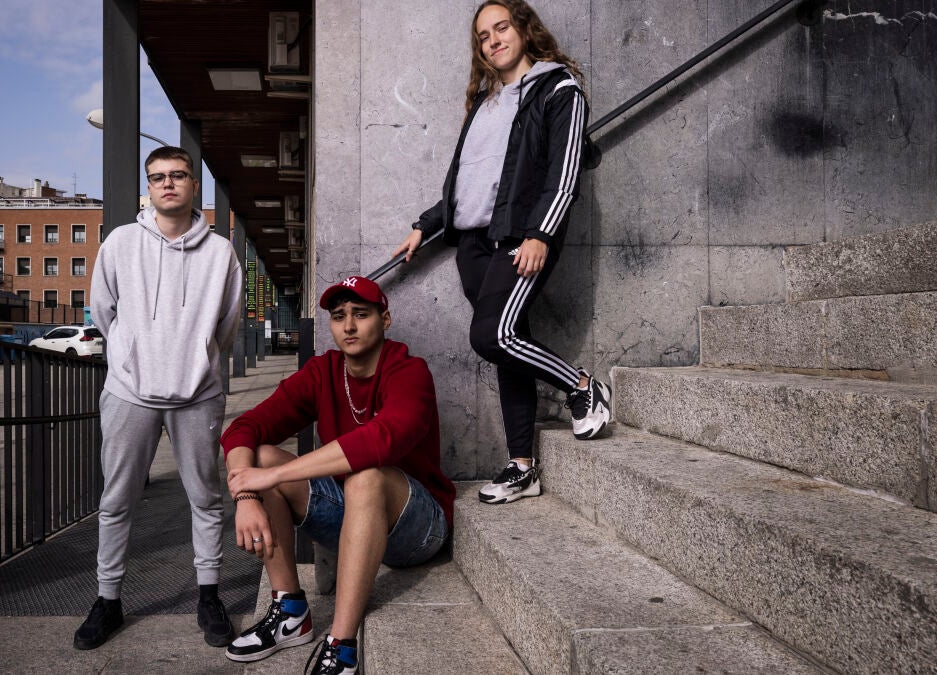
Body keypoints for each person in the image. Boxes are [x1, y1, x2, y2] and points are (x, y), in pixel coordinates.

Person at [392, 0, 611, 506]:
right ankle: (522, 468)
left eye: (501, 27)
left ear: (524, 29)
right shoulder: (485, 103)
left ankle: (581, 385)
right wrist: (425, 225)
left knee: (492, 336)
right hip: (473, 243)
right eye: (483, 36)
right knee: (509, 347)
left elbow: (564, 171)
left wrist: (541, 234)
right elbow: (469, 182)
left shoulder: (558, 89)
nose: (493, 40)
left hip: (520, 238)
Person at [219, 276, 455, 675]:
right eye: (339, 316)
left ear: (385, 319)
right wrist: (245, 492)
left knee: (366, 475)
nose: (348, 326)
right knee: (260, 456)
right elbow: (245, 427)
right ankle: (290, 611)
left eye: (361, 315)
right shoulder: (324, 372)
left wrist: (271, 478)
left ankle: (342, 647)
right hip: (355, 516)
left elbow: (381, 440)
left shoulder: (408, 371)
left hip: (418, 526)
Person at [74, 145, 243, 650]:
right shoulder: (121, 243)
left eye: (178, 175)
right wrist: (131, 356)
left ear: (194, 185)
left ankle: (208, 596)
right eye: (158, 177)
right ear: (148, 188)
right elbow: (103, 310)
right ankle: (108, 600)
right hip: (130, 391)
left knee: (205, 498)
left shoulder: (221, 252)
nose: (168, 183)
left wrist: (196, 358)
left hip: (197, 393)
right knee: (116, 499)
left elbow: (227, 324)